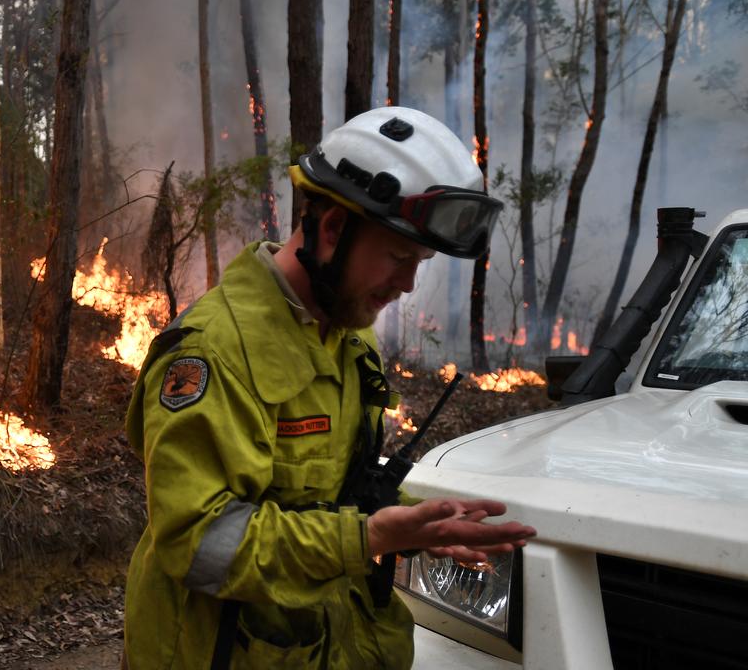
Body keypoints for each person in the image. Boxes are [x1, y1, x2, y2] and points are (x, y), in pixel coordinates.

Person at [122, 106, 537, 669]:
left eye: (420, 263)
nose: (408, 285)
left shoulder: (349, 344)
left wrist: (413, 523)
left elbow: (337, 498)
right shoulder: (212, 351)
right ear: (334, 228)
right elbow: (198, 544)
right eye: (397, 257)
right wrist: (365, 539)